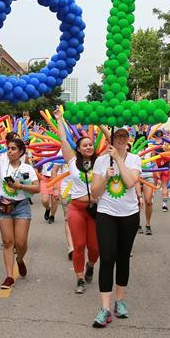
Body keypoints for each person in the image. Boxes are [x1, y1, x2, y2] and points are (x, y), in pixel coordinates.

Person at [90, 127, 141, 328]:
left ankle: (120, 300)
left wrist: (119, 160)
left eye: (124, 136)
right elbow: (94, 192)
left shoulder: (135, 159)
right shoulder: (101, 161)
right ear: (111, 138)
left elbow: (130, 183)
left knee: (122, 258)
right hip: (106, 214)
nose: (120, 139)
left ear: (128, 139)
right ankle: (105, 308)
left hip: (129, 215)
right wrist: (105, 178)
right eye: (117, 136)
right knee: (107, 257)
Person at [54, 108, 98, 294]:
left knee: (95, 248)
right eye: (84, 145)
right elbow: (64, 139)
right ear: (78, 149)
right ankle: (79, 278)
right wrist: (59, 119)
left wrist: (103, 126)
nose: (88, 147)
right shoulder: (72, 161)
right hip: (77, 210)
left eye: (90, 144)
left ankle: (90, 265)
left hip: (96, 210)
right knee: (79, 245)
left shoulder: (102, 162)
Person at [0, 137, 39, 289]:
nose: (9, 151)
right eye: (8, 148)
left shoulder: (27, 169)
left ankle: (19, 259)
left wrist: (21, 187)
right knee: (7, 242)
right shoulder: (1, 162)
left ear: (21, 152)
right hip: (4, 205)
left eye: (13, 149)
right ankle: (9, 276)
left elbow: (37, 188)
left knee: (21, 243)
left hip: (21, 206)